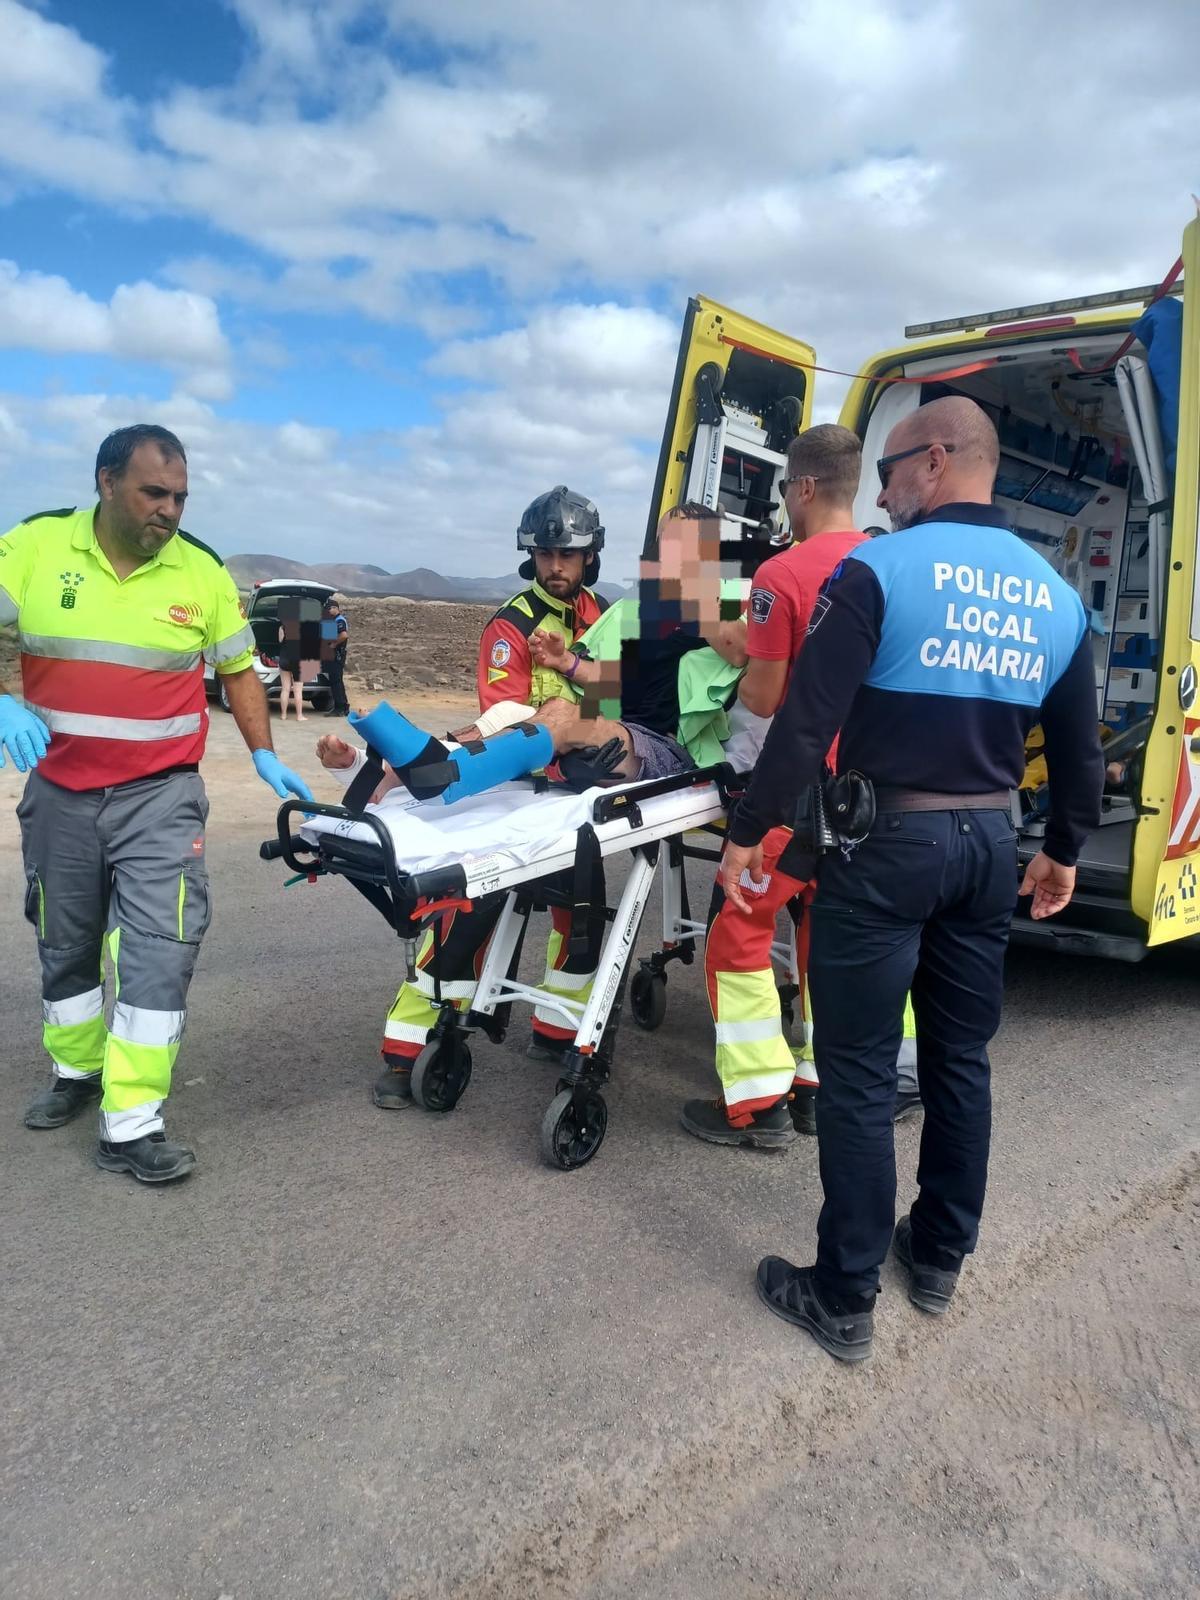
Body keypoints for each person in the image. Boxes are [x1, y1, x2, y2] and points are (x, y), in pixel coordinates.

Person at [721, 396, 1103, 1361]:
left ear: (935, 462)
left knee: (852, 1074)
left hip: (886, 844)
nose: (880, 491)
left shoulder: (877, 569)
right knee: (959, 1060)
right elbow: (1076, 746)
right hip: (988, 845)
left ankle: (843, 1293)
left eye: (890, 469)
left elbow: (804, 722)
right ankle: (936, 1255)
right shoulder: (1055, 597)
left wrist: (749, 831)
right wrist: (1064, 847)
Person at [0, 425, 313, 1183]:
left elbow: (238, 667)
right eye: (153, 493)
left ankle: (131, 1121)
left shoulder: (200, 573)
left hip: (161, 797)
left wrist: (265, 752)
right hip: (61, 792)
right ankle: (77, 1075)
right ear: (106, 482)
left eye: (179, 497)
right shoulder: (37, 547)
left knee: (159, 951)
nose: (169, 511)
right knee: (65, 945)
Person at [354, 486, 610, 1108]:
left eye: (567, 554)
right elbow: (503, 716)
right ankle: (406, 1049)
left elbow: (614, 702)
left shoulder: (604, 618)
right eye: (546, 553)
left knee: (581, 914)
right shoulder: (511, 625)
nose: (556, 565)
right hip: (515, 788)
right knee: (466, 913)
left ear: (588, 557)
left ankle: (557, 1031)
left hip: (577, 789)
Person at [322, 596, 350, 716]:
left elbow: (343, 635)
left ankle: (339, 708)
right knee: (337, 681)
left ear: (335, 608)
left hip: (337, 655)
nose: (328, 612)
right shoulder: (333, 620)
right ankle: (343, 706)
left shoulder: (339, 620)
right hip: (333, 655)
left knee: (336, 681)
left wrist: (333, 644)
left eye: (329, 609)